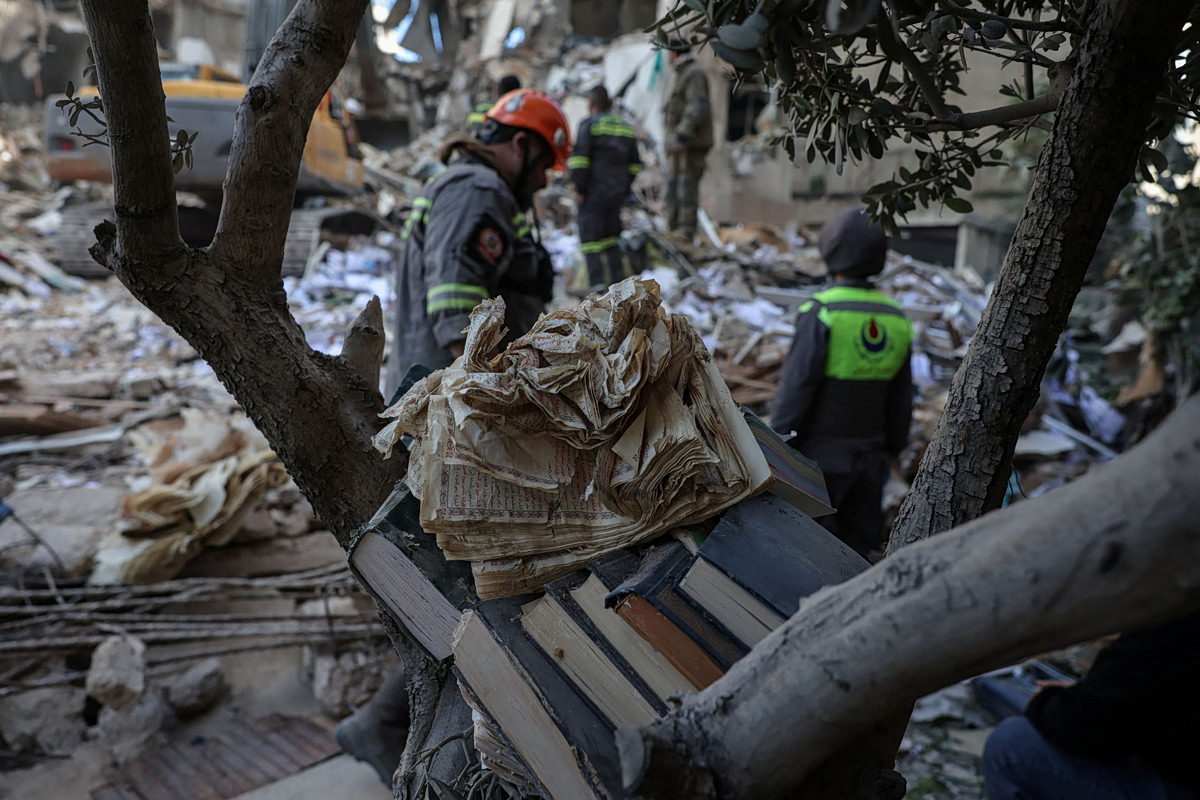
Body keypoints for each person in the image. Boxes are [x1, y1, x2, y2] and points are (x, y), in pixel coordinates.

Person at [384, 88, 571, 410]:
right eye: (544, 166)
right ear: (521, 145)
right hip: (451, 409)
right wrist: (493, 397)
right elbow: (458, 306)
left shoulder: (479, 189)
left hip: (451, 400)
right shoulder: (478, 190)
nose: (543, 181)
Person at [769, 208, 913, 559]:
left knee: (807, 553)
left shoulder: (822, 311)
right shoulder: (896, 318)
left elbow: (797, 388)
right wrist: (891, 449)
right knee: (855, 554)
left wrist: (774, 445)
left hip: (820, 463)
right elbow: (901, 399)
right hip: (871, 461)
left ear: (829, 256)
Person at [982, 612, 1200, 800]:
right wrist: (1090, 692)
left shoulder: (1181, 613)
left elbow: (1085, 724)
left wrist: (1050, 701)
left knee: (1012, 748)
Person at [568, 85, 642, 290]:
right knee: (611, 239)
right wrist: (624, 188)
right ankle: (618, 286)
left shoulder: (589, 125)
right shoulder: (625, 127)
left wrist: (580, 190)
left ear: (591, 104)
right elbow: (635, 164)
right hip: (616, 195)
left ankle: (598, 287)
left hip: (593, 194)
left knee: (591, 240)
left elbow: (579, 161)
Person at [662, 39, 712, 238]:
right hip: (679, 146)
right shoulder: (683, 74)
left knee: (686, 189)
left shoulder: (693, 74)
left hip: (689, 146)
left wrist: (682, 136)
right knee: (674, 189)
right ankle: (674, 230)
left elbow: (697, 108)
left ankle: (684, 232)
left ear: (674, 53)